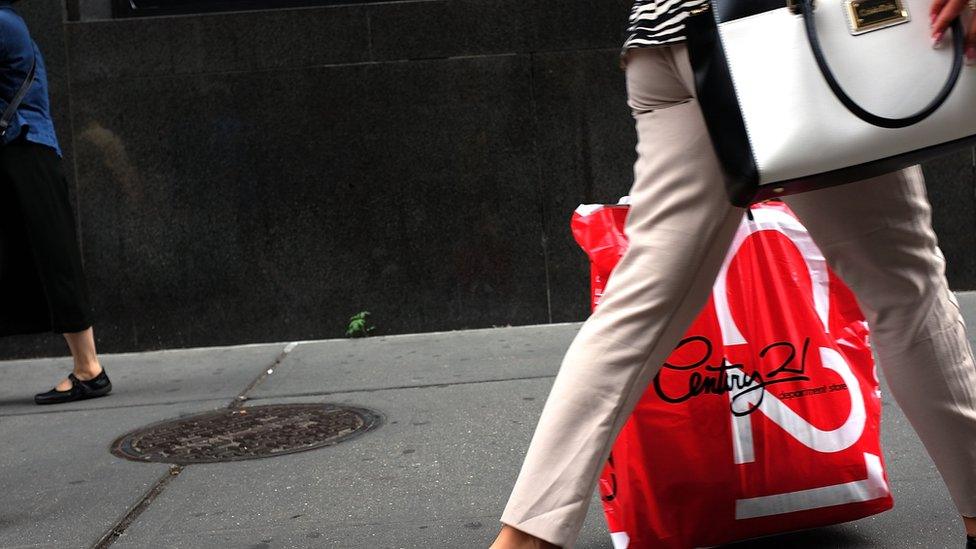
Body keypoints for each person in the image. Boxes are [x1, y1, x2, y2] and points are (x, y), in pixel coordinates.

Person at [491, 1, 976, 548]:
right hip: (793, 40)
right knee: (903, 292)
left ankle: (523, 540)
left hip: (670, 43)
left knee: (640, 307)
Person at [0, 0, 111, 405]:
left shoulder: (2, 23)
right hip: (19, 152)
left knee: (55, 257)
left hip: (25, 152)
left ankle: (89, 369)